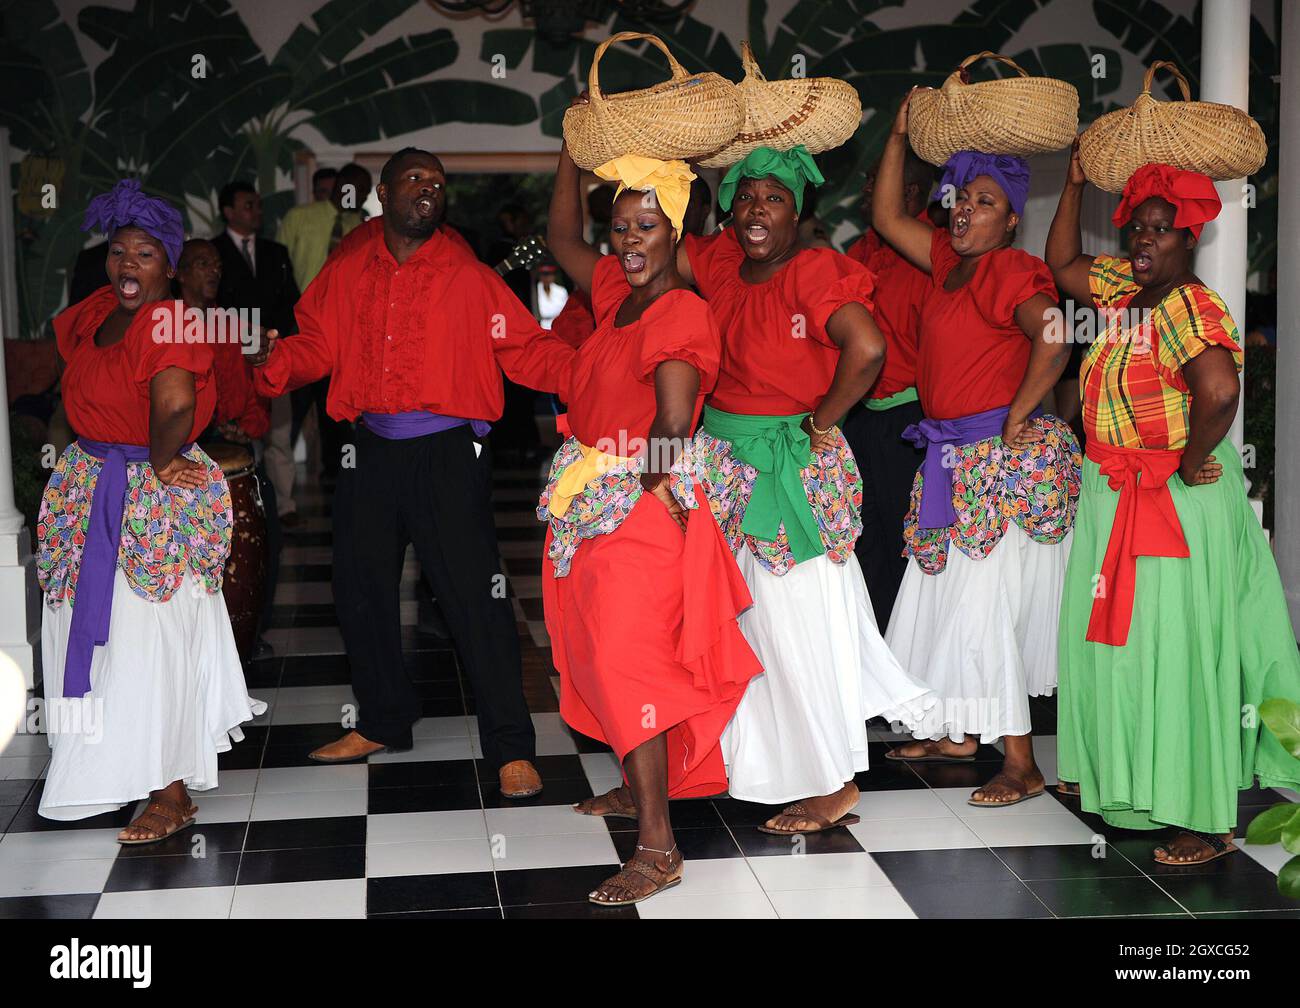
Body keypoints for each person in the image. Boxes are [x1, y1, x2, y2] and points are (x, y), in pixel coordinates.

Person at [249, 148, 574, 798]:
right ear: (386, 192)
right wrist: (271, 357)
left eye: (438, 183)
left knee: (476, 599)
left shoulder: (470, 275)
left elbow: (526, 349)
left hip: (447, 455)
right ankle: (383, 719)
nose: (430, 189)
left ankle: (511, 745)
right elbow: (315, 343)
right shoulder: (347, 271)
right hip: (369, 451)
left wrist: (597, 370)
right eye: (416, 179)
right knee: (360, 590)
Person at [1046, 149, 1300, 863]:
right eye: (1137, 229)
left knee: (1178, 653)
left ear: (1190, 239)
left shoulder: (1192, 304)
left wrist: (1188, 465)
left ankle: (1206, 817)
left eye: (1160, 230)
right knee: (1127, 648)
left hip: (1170, 501)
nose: (1144, 241)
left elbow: (1219, 393)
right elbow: (1062, 263)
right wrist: (1071, 187)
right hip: (1114, 493)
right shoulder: (1126, 289)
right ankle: (1132, 789)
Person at [676, 144, 934, 835]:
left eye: (775, 199)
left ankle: (836, 779)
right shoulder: (723, 263)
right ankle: (760, 762)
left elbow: (869, 348)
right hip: (727, 462)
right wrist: (684, 166)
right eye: (748, 198)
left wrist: (822, 422)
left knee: (803, 624)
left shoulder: (814, 272)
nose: (758, 211)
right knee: (749, 622)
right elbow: (655, 248)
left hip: (787, 465)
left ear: (800, 212)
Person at [543, 139, 762, 904]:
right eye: (623, 226)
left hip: (635, 508)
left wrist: (629, 489)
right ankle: (637, 793)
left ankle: (659, 847)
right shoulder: (617, 296)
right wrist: (570, 158)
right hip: (598, 502)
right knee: (600, 653)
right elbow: (564, 240)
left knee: (632, 663)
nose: (629, 240)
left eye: (647, 225)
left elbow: (672, 420)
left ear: (676, 232)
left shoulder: (678, 309)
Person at [36, 179, 264, 837]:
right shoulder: (97, 311)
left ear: (168, 262)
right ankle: (109, 770)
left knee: (147, 640)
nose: (127, 265)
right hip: (88, 481)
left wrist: (161, 461)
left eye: (143, 254)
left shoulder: (171, 320)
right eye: (118, 251)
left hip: (143, 492)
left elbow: (175, 404)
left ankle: (170, 791)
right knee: (97, 636)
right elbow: (58, 380)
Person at [872, 91, 1080, 808]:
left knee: (980, 607)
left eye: (984, 202)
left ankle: (1020, 764)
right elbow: (886, 217)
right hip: (953, 458)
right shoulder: (944, 263)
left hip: (998, 464)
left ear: (1012, 218)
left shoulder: (1010, 271)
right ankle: (959, 731)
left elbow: (1055, 333)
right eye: (961, 199)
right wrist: (898, 134)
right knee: (943, 597)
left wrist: (1020, 413)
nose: (964, 210)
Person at [841, 150, 936, 629]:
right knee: (861, 540)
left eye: (876, 178)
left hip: (910, 420)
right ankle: (869, 660)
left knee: (906, 544)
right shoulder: (859, 252)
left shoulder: (931, 255)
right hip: (860, 418)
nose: (865, 187)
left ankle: (907, 663)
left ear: (911, 194)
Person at [212, 181, 302, 527]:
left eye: (258, 205)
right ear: (229, 211)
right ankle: (245, 505)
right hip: (232, 356)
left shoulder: (275, 252)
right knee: (240, 431)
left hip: (273, 354)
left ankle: (285, 504)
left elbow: (291, 303)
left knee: (280, 432)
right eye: (248, 205)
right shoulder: (212, 253)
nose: (257, 211)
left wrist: (281, 345)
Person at [278, 164, 375, 482]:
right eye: (354, 189)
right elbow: (280, 270)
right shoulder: (300, 217)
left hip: (344, 335)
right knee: (291, 412)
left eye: (363, 192)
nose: (358, 196)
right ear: (340, 185)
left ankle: (339, 479)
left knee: (337, 411)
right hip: (301, 329)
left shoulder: (364, 228)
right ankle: (280, 493)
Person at [535, 263, 569, 330]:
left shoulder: (561, 291)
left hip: (561, 326)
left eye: (549, 274)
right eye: (544, 274)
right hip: (542, 326)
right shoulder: (535, 291)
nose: (547, 277)